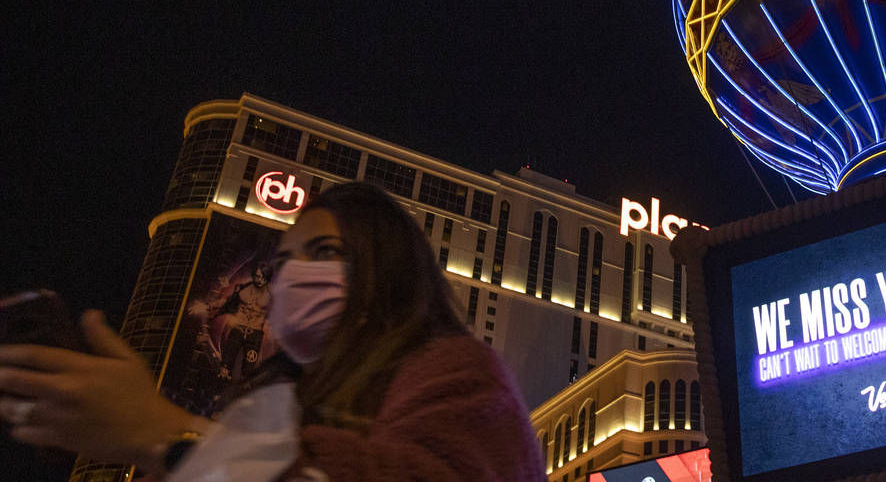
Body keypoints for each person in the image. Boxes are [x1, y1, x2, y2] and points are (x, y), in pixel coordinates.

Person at [0, 183, 547, 481]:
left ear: (390, 270)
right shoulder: (264, 399)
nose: (293, 276)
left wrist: (161, 433)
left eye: (325, 252)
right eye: (283, 262)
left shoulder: (457, 371)